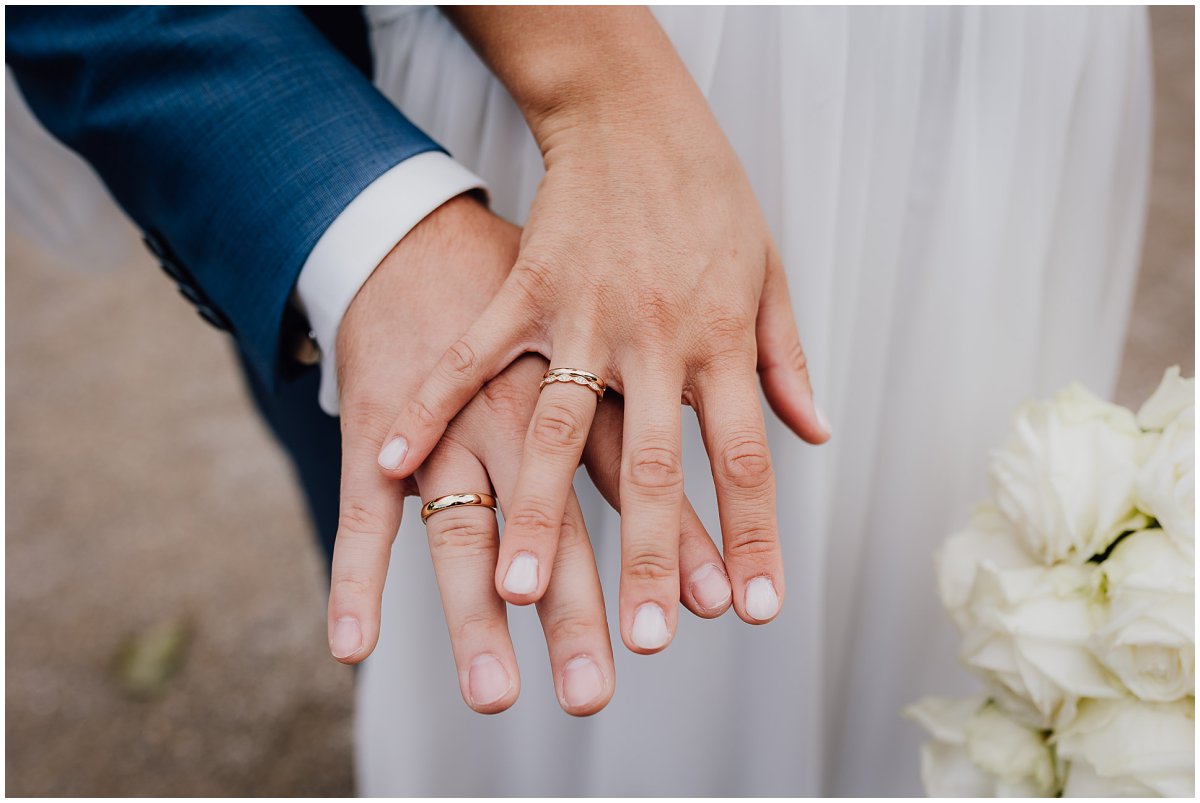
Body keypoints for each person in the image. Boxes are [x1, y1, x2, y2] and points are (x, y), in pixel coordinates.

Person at [6, 5, 1151, 795]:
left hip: (1007, 64)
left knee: (953, 594)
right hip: (518, 108)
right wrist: (378, 224)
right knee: (557, 646)